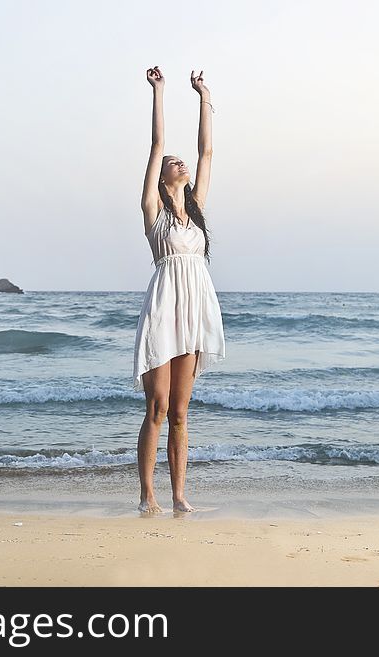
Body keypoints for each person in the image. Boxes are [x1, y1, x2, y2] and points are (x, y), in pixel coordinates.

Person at [132, 66, 227, 514]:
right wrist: (160, 91)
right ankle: (148, 495)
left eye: (179, 162)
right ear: (163, 175)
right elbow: (155, 145)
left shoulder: (196, 208)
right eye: (174, 162)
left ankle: (179, 495)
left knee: (182, 414)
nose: (180, 162)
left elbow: (207, 151)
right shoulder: (154, 212)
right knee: (157, 405)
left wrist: (204, 95)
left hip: (195, 308)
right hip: (164, 307)